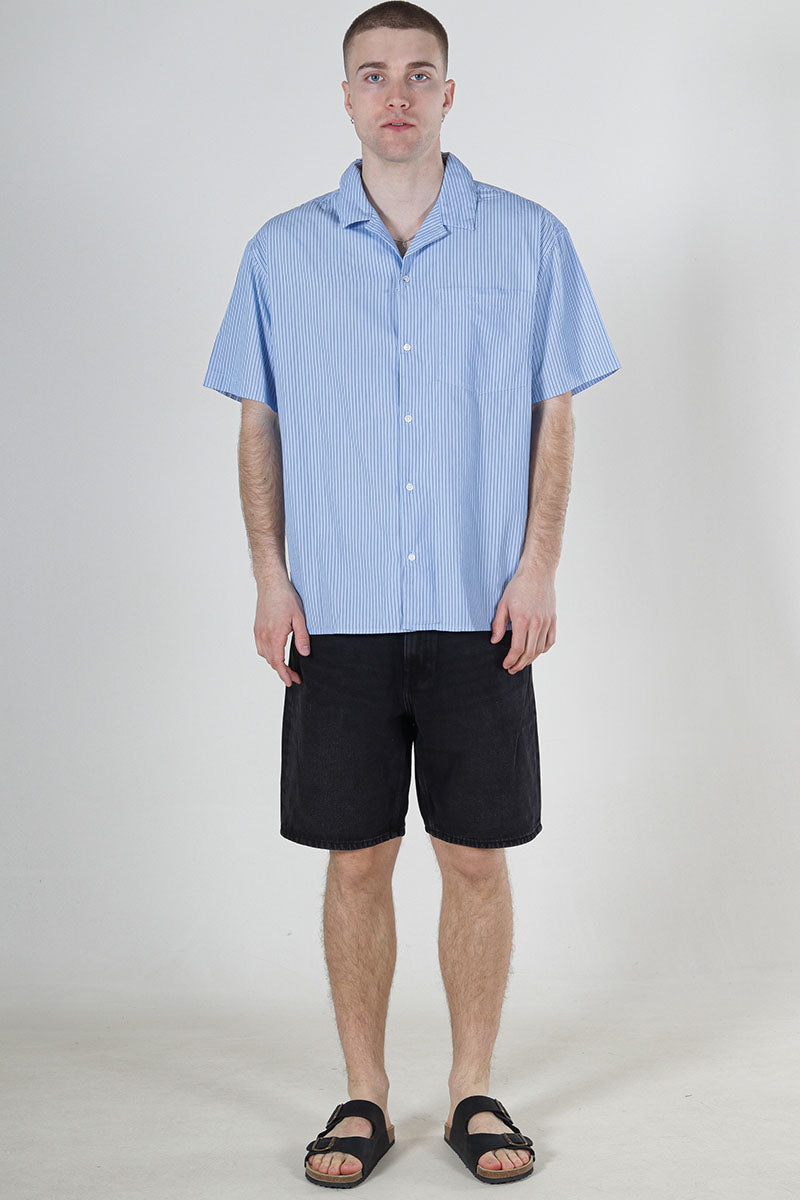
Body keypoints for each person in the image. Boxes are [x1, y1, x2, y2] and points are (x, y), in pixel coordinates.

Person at [203, 1, 620, 1188]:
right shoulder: (280, 253)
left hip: (477, 607)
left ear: (448, 93)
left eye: (418, 73)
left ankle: (474, 1091)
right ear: (345, 95)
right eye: (374, 73)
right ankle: (364, 1098)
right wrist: (269, 575)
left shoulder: (528, 240)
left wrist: (537, 565)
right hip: (332, 611)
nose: (397, 92)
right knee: (354, 861)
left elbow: (553, 412)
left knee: (475, 858)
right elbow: (258, 421)